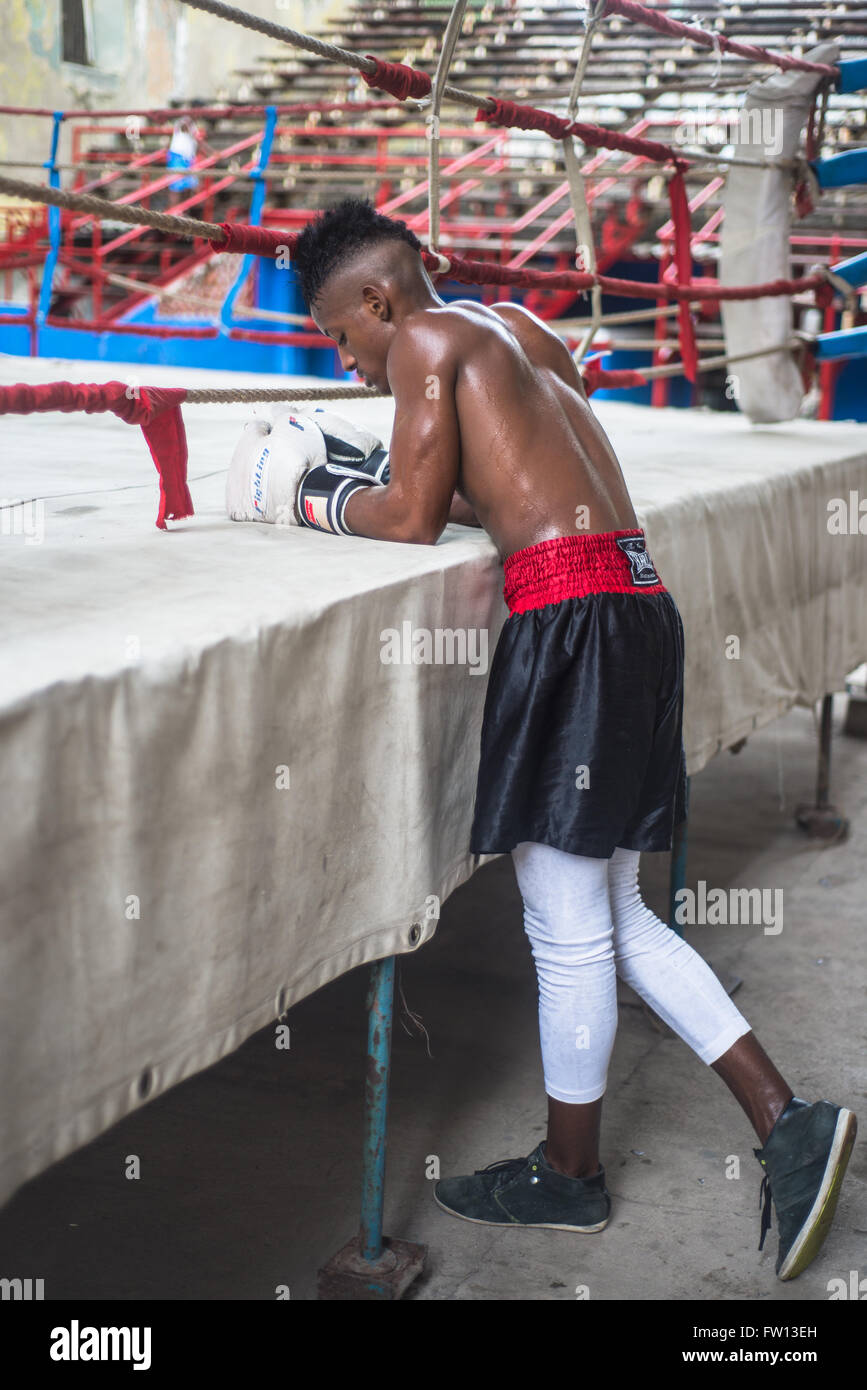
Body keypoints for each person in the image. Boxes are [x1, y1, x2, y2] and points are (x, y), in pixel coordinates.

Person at [285, 197, 856, 1282]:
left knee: (567, 929)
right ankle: (784, 1121)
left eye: (337, 334)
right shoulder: (517, 330)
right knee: (612, 909)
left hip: (572, 625)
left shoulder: (419, 338)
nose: (350, 359)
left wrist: (309, 494)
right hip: (639, 605)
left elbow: (409, 515)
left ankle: (572, 1173)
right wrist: (381, 465)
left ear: (373, 299)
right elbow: (506, 484)